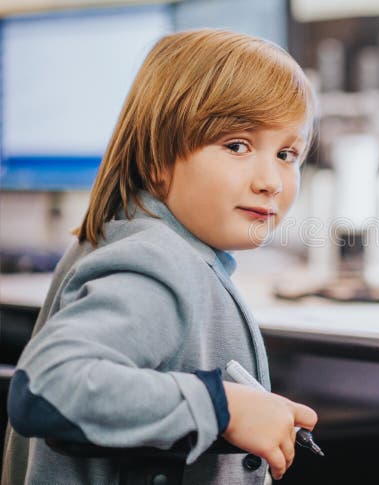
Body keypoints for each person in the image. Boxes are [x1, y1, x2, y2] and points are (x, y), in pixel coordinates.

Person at [2, 29, 318, 484]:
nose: (271, 180)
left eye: (288, 153)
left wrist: (245, 408)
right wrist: (222, 407)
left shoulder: (137, 240)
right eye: (237, 145)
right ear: (157, 159)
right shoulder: (156, 264)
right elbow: (46, 390)